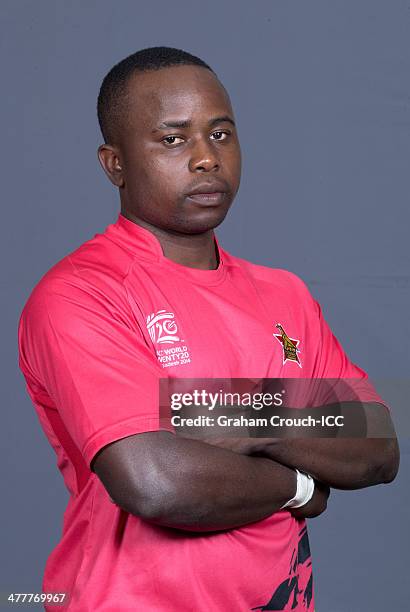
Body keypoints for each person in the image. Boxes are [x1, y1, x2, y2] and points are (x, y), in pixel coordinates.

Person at [18, 46, 399, 611]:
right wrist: (298, 483)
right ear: (114, 163)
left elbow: (376, 445)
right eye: (173, 139)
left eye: (220, 134)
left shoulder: (284, 294)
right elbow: (154, 481)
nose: (205, 158)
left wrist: (240, 419)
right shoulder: (81, 293)